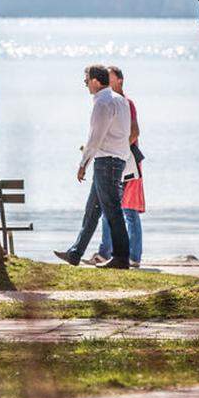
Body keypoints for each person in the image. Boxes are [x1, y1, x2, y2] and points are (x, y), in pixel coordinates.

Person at [53, 64, 132, 269]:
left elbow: (95, 139)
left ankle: (122, 257)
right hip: (117, 159)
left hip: (106, 161)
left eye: (86, 80)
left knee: (112, 211)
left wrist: (83, 164)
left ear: (96, 82)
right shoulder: (120, 100)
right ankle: (75, 253)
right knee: (92, 210)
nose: (85, 84)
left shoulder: (103, 104)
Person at [86, 65, 145, 267]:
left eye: (110, 79)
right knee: (109, 206)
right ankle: (106, 252)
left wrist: (117, 149)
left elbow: (134, 132)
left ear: (119, 80)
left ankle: (132, 256)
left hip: (125, 161)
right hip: (117, 157)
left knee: (128, 210)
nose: (107, 83)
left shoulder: (125, 103)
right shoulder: (111, 101)